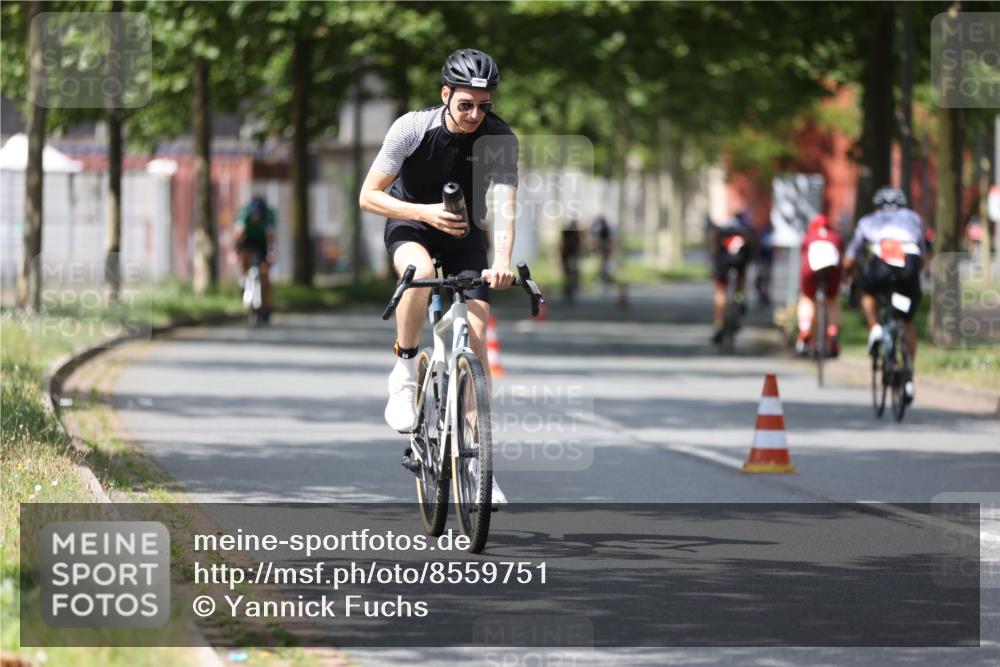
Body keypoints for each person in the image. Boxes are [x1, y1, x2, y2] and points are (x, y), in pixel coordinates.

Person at [359, 48, 519, 503]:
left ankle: (477, 461)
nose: (474, 114)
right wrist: (423, 212)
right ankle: (406, 367)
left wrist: (503, 260)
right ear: (445, 95)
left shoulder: (500, 138)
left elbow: (505, 206)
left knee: (475, 334)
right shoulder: (411, 127)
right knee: (419, 270)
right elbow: (369, 196)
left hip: (464, 232)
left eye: (483, 105)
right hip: (410, 221)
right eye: (465, 104)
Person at [843, 186, 927, 403]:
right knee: (907, 322)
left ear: (877, 205)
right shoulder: (913, 218)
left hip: (881, 265)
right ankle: (908, 375)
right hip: (909, 265)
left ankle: (875, 327)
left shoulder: (868, 221)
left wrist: (847, 273)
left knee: (867, 290)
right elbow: (924, 254)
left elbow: (851, 256)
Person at [796, 213, 844, 357]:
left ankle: (805, 329)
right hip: (832, 269)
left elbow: (803, 255)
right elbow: (840, 256)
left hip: (811, 269)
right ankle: (833, 331)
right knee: (831, 300)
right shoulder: (836, 236)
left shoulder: (809, 235)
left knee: (807, 298)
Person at [709, 210, 756, 344]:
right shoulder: (745, 229)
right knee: (742, 276)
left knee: (720, 290)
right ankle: (740, 299)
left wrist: (713, 261)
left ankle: (718, 325)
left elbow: (714, 246)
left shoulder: (722, 229)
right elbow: (752, 248)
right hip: (740, 261)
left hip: (722, 261)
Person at [234, 196, 276, 319]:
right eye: (254, 216)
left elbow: (271, 237)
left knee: (264, 273)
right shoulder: (244, 213)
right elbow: (238, 234)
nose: (256, 219)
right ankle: (243, 280)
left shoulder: (269, 215)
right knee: (243, 257)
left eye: (259, 217)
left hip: (262, 242)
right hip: (248, 240)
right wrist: (236, 250)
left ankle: (266, 306)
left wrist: (271, 253)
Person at [559, 219, 583, 301]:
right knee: (570, 275)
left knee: (571, 274)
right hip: (569, 256)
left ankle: (570, 289)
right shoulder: (571, 235)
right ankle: (568, 290)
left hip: (570, 256)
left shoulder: (572, 234)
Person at [590, 215, 614, 287]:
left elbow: (605, 241)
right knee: (602, 266)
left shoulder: (603, 229)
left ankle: (603, 279)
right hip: (603, 250)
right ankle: (603, 279)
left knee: (602, 266)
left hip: (603, 250)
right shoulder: (604, 229)